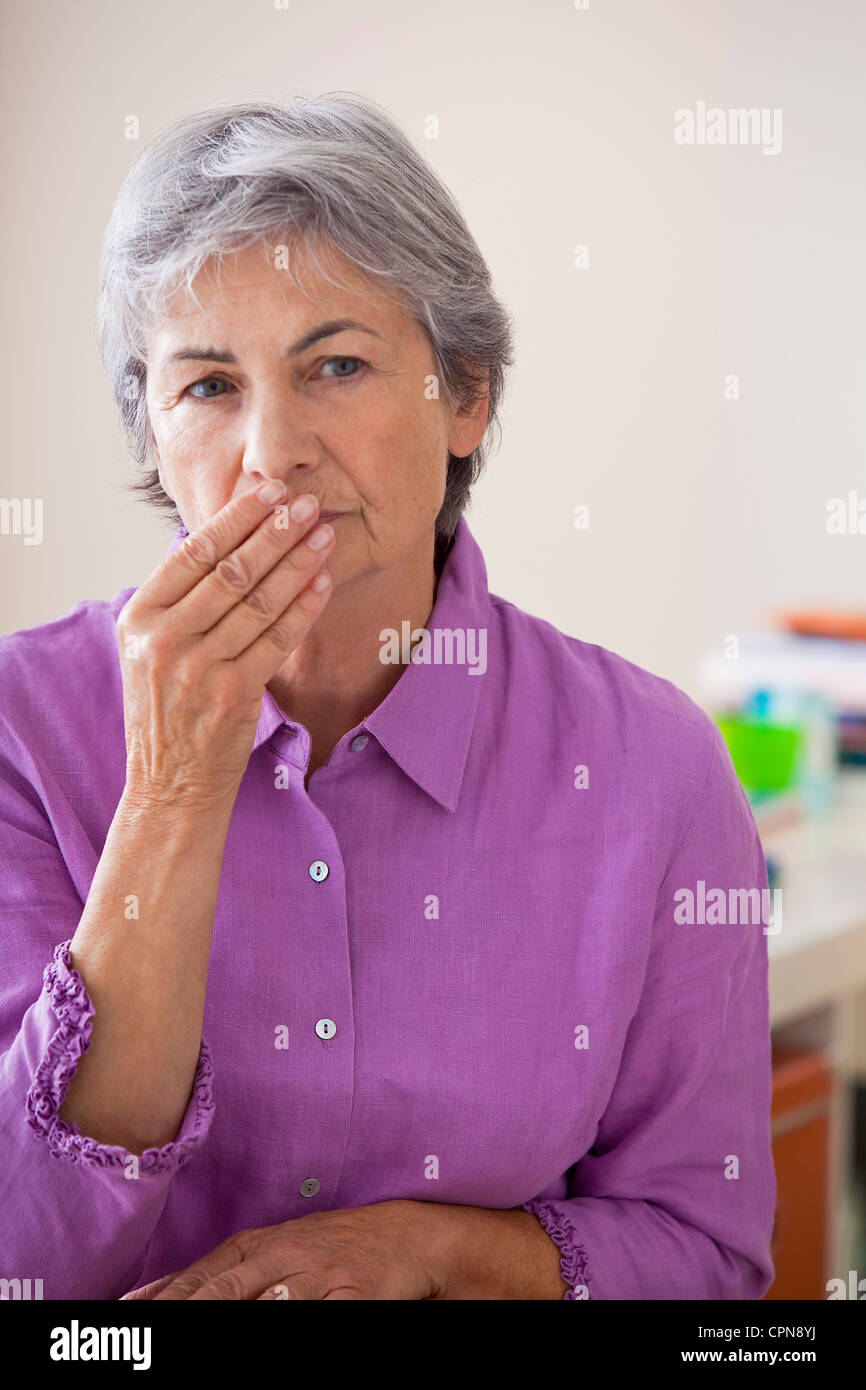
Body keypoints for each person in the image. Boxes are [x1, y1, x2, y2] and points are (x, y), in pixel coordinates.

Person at [0, 93, 775, 1300]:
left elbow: (707, 1265)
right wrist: (173, 787)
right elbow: (21, 1264)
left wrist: (431, 1254)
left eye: (337, 365)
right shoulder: (21, 728)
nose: (272, 453)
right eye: (207, 386)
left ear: (463, 396)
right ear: (149, 434)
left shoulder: (651, 767)